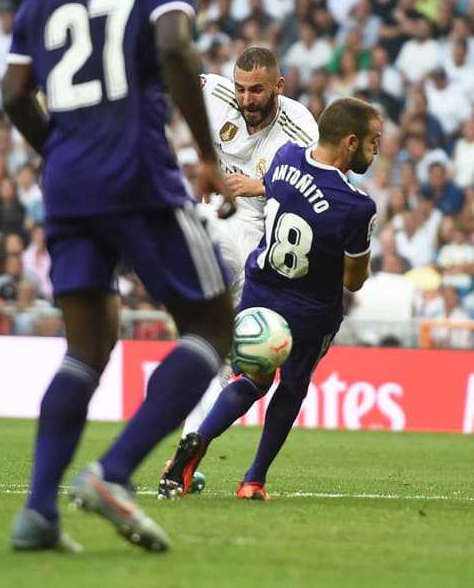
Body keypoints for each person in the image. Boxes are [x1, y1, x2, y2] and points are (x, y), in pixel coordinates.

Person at [2, 0, 236, 553]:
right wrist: (207, 155)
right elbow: (175, 45)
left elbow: (13, 93)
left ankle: (38, 512)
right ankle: (114, 471)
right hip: (137, 172)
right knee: (211, 324)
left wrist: (60, 152)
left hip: (68, 184)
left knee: (86, 345)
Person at [159, 97, 380, 502]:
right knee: (291, 388)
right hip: (310, 308)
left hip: (262, 287)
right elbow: (354, 281)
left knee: (251, 379)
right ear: (350, 142)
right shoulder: (356, 206)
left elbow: (281, 187)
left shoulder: (286, 157)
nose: (376, 149)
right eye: (372, 141)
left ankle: (197, 442)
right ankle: (253, 480)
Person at [178, 47, 319, 452]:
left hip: (262, 232)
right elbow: (171, 78)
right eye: (240, 89)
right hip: (218, 218)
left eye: (256, 90)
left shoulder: (300, 129)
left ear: (279, 86)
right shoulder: (214, 93)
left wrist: (261, 185)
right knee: (213, 337)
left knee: (223, 356)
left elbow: (319, 186)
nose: (246, 99)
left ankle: (187, 449)